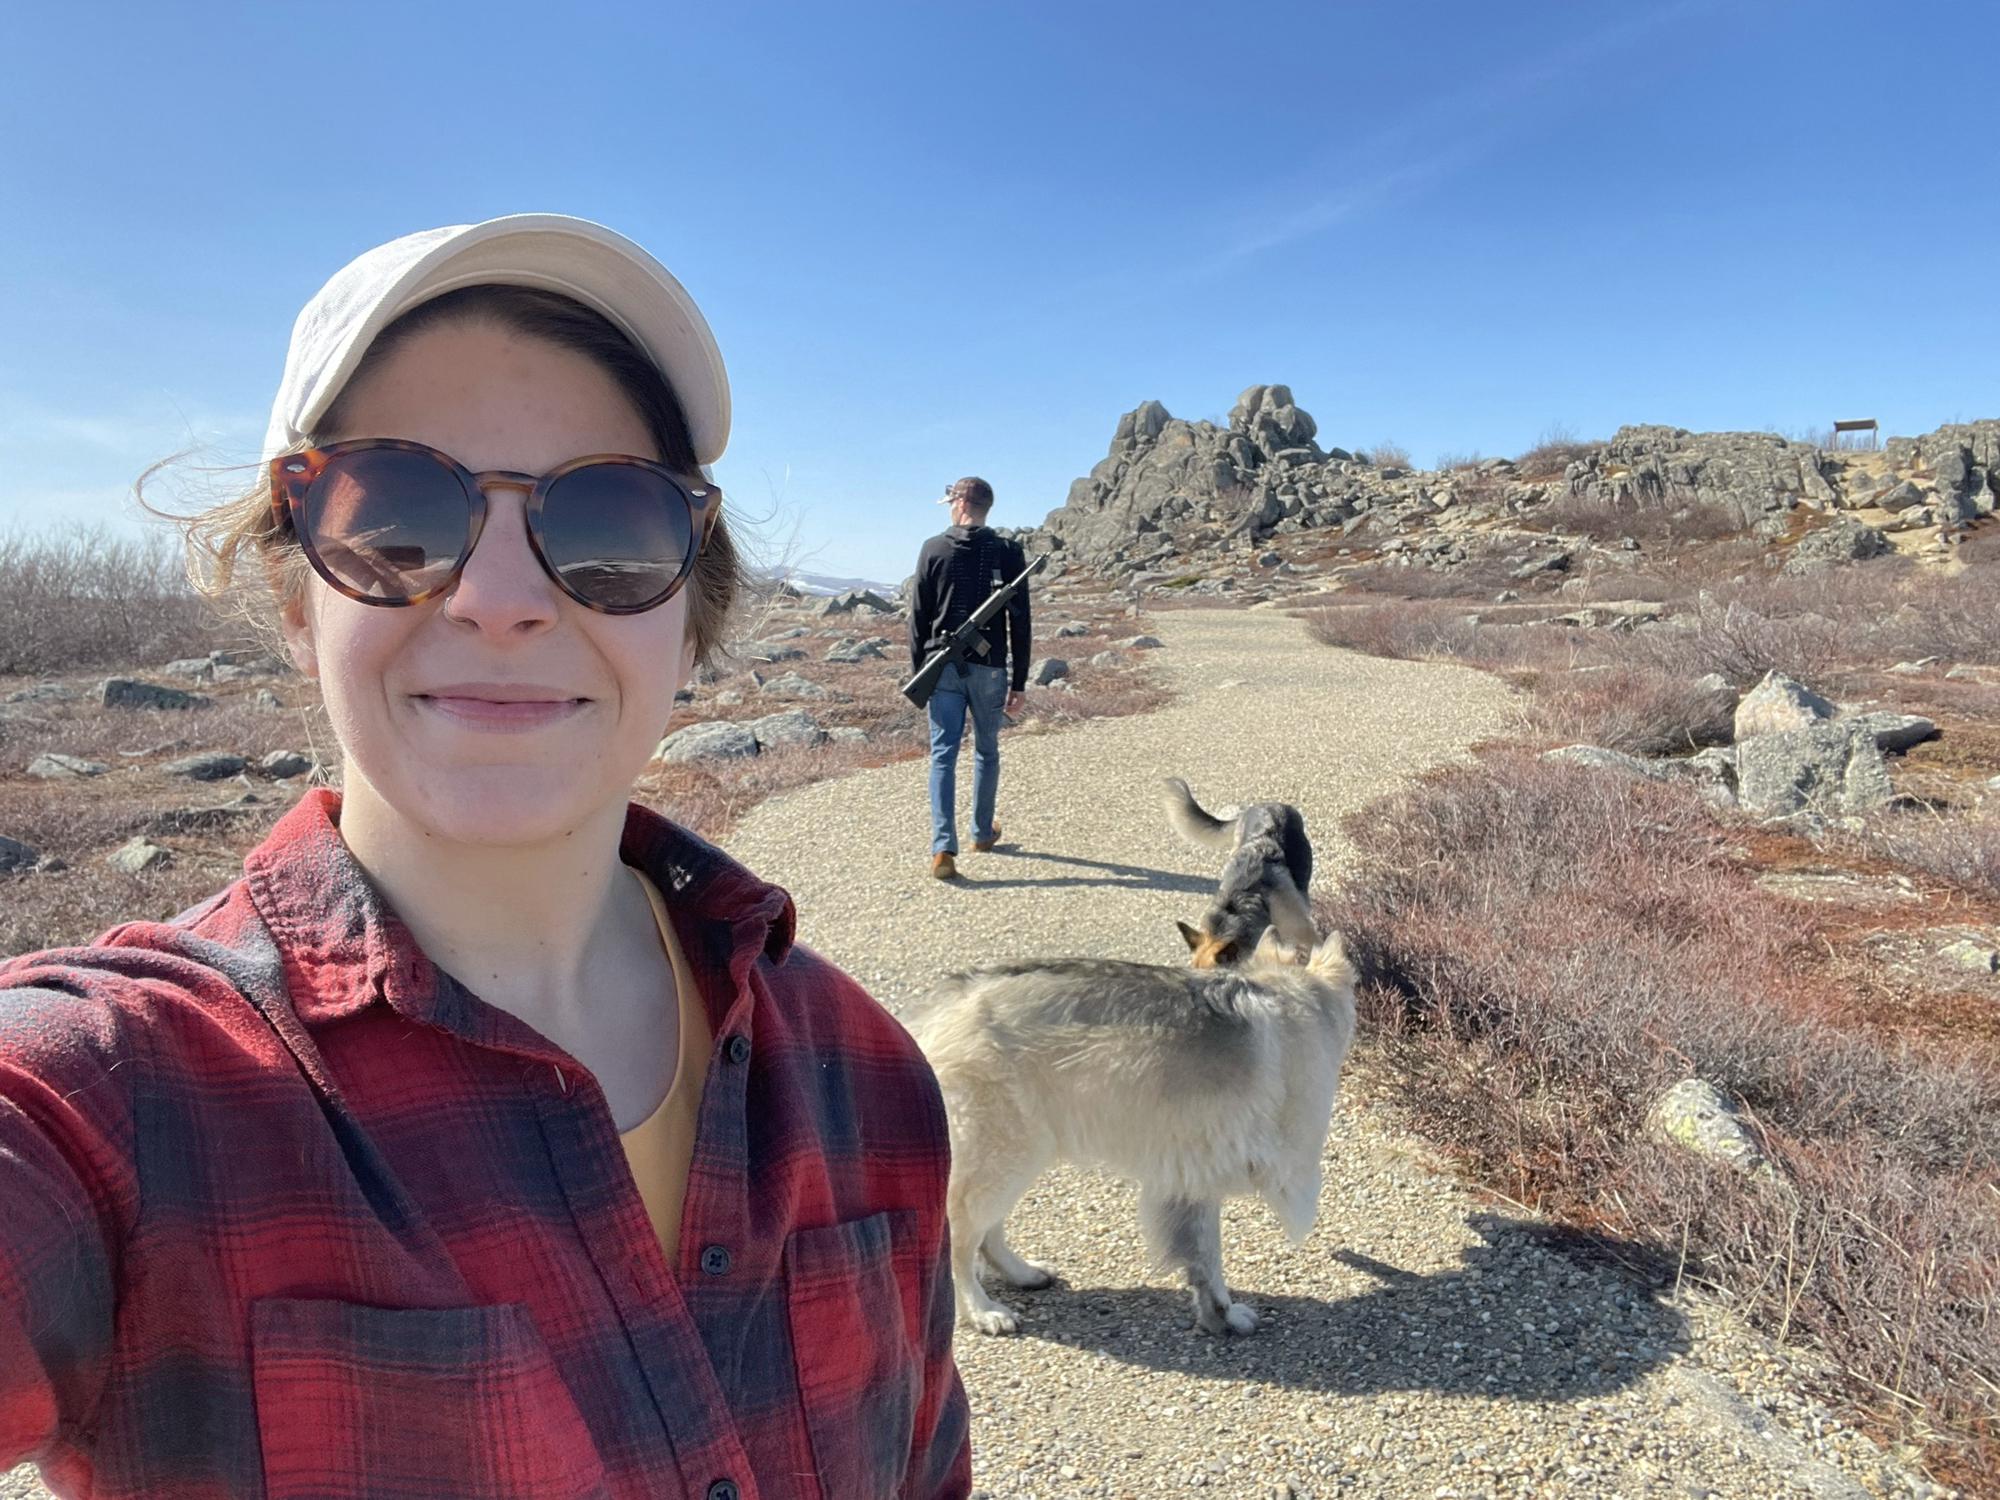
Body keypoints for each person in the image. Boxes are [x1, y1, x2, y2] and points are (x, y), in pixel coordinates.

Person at [0, 214, 970, 1500]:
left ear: (688, 621)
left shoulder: (868, 1075)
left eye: (611, 523)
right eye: (396, 518)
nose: (499, 596)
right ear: (299, 605)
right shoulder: (116, 1097)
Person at [908, 478, 1031, 880]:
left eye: (950, 501)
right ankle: (981, 832)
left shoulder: (933, 548)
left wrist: (919, 672)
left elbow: (918, 618)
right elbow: (1021, 621)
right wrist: (1020, 681)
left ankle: (943, 847)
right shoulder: (1010, 552)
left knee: (943, 755)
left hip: (940, 668)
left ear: (961, 503)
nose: (947, 508)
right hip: (991, 669)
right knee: (987, 751)